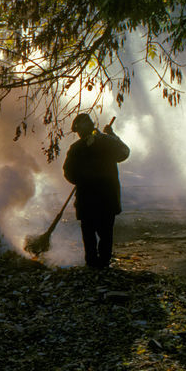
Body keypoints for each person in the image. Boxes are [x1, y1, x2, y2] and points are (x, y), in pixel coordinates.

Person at [63, 114, 130, 268]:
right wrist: (112, 135)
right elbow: (124, 152)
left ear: (80, 131)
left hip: (87, 199)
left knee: (89, 234)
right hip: (107, 198)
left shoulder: (76, 148)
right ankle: (104, 263)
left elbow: (68, 172)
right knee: (106, 233)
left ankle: (92, 263)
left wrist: (81, 179)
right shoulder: (108, 142)